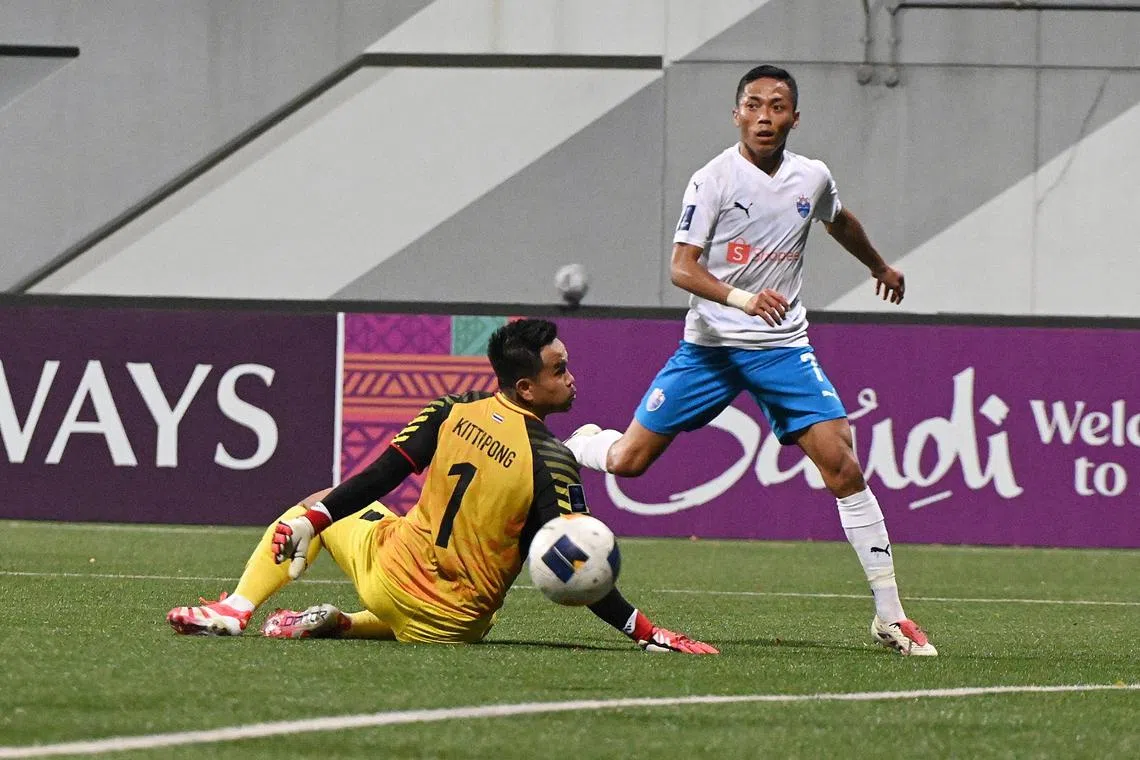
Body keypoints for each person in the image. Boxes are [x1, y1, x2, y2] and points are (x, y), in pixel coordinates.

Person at [565, 65, 936, 656]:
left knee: (842, 466)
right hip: (710, 347)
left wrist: (877, 265)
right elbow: (682, 269)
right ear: (737, 114)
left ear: (794, 116)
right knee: (628, 461)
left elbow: (839, 219)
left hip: (783, 346)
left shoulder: (810, 177)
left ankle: (890, 615)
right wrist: (742, 298)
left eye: (778, 106)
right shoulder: (711, 180)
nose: (765, 116)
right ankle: (583, 442)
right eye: (754, 105)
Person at [167, 318, 716, 654]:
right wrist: (645, 631)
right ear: (526, 387)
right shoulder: (553, 463)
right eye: (558, 369)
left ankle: (239, 608)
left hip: (389, 578)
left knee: (317, 504)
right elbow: (579, 571)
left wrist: (314, 521)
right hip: (457, 627)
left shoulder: (450, 411)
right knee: (454, 606)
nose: (571, 377)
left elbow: (379, 477)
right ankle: (343, 625)